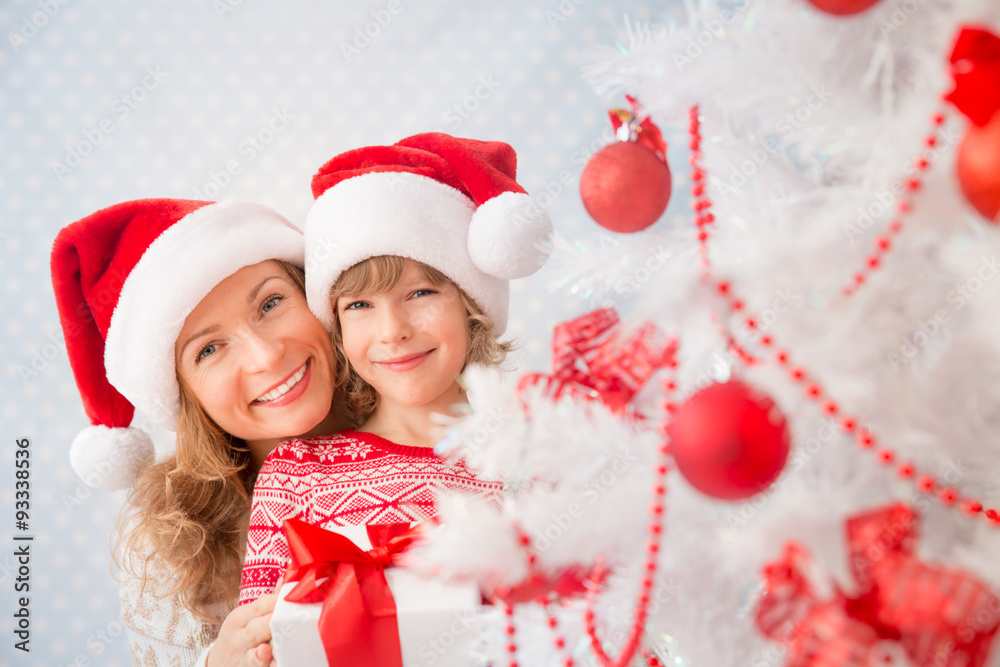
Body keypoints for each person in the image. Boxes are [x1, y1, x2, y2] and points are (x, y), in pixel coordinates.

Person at [239, 132, 553, 604]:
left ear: (472, 304)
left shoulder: (539, 460)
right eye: (360, 304)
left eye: (421, 293)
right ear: (337, 327)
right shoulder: (298, 475)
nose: (392, 331)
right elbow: (263, 641)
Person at [50, 198, 350, 667]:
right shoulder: (172, 548)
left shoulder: (443, 426)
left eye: (271, 303)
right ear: (184, 394)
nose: (266, 356)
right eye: (209, 349)